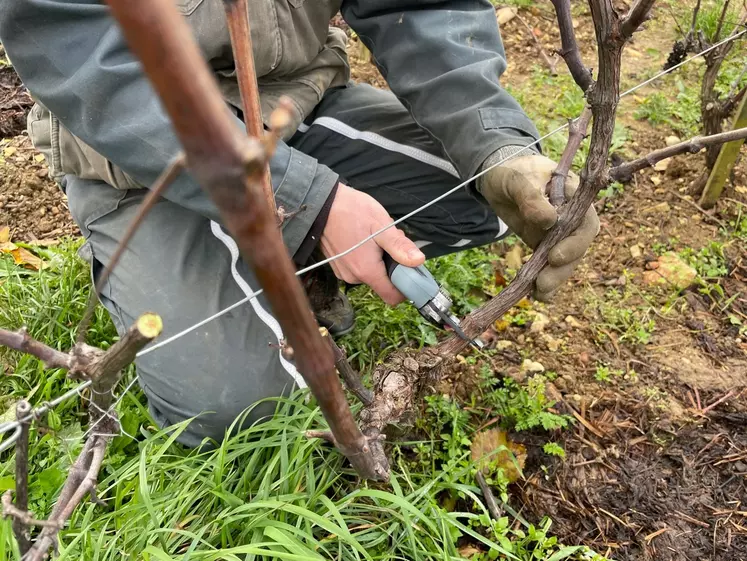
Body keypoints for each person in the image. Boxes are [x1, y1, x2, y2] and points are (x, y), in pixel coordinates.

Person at [0, 0, 599, 447]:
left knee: (490, 199)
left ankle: (297, 265)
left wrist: (497, 146)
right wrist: (309, 202)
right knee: (233, 409)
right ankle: (164, 260)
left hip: (294, 104)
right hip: (134, 154)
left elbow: (417, 6)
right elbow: (84, 57)